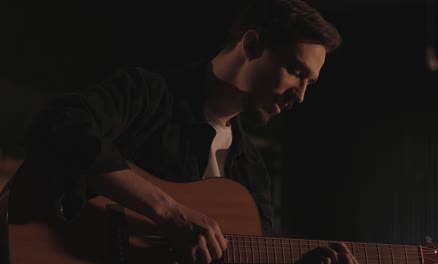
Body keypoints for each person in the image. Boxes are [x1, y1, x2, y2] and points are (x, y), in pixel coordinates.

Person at [8, 0, 357, 263]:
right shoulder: (148, 94)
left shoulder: (252, 172)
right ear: (251, 46)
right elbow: (56, 125)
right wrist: (168, 212)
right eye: (296, 72)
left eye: (310, 83)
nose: (300, 96)